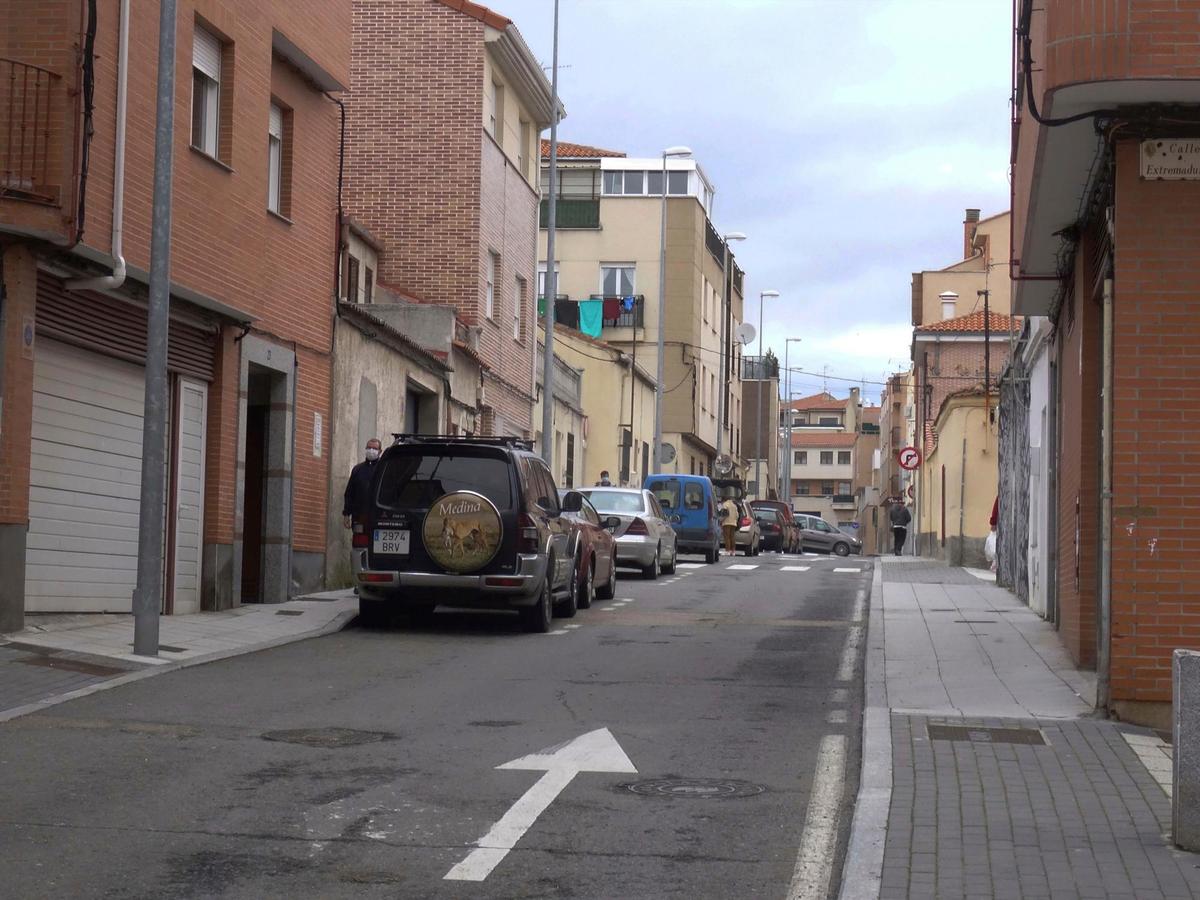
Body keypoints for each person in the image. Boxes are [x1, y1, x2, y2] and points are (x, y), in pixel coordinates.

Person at [343, 438, 382, 530]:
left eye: (374, 448)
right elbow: (349, 493)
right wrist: (346, 514)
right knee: (360, 542)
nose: (371, 450)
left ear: (380, 451)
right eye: (369, 448)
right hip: (360, 516)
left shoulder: (384, 469)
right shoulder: (357, 469)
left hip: (380, 516)